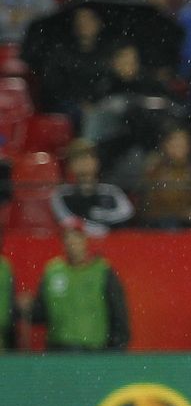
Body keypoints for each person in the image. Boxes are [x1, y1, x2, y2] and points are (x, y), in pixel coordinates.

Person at [27, 222, 131, 351]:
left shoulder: (102, 270)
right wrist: (28, 307)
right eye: (67, 237)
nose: (71, 242)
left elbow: (118, 311)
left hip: (94, 349)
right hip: (59, 348)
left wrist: (117, 347)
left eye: (76, 237)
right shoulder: (52, 271)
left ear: (85, 240)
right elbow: (39, 313)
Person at [50, 140, 134, 235]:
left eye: (89, 157)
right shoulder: (61, 194)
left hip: (112, 243)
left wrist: (99, 214)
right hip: (78, 243)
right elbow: (67, 220)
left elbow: (127, 212)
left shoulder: (111, 191)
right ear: (70, 165)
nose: (84, 162)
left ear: (97, 162)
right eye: (78, 158)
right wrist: (95, 229)